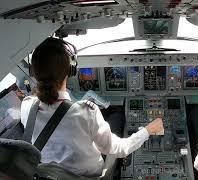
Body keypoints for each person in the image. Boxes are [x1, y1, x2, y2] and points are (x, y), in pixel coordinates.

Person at [20, 37, 164, 177]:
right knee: (117, 116)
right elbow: (119, 148)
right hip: (90, 176)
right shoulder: (86, 112)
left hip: (51, 175)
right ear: (70, 70)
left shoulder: (27, 107)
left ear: (33, 73)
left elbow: (37, 97)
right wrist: (147, 130)